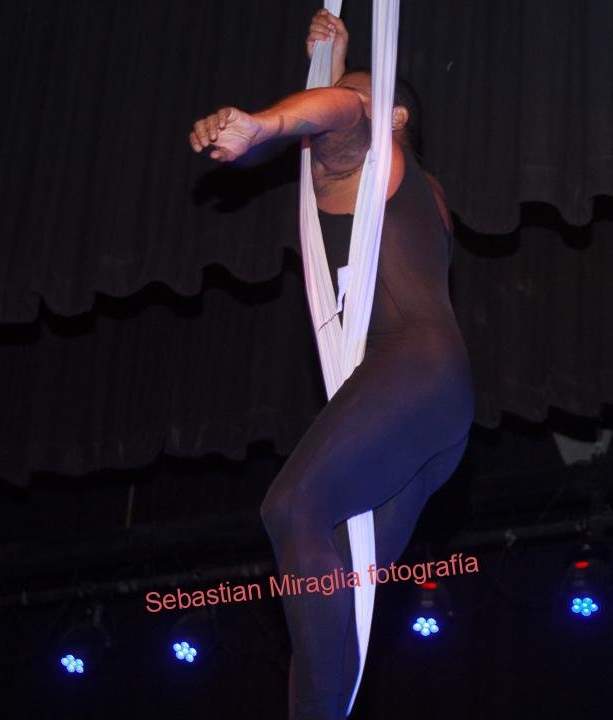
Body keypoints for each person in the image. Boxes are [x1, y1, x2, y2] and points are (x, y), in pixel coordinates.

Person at [189, 10, 474, 720]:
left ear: (395, 117)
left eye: (357, 95)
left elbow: (342, 118)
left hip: (412, 373)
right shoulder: (421, 191)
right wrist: (332, 69)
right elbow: (330, 119)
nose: (338, 108)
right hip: (439, 407)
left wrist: (262, 124)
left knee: (293, 507)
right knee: (335, 585)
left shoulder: (380, 157)